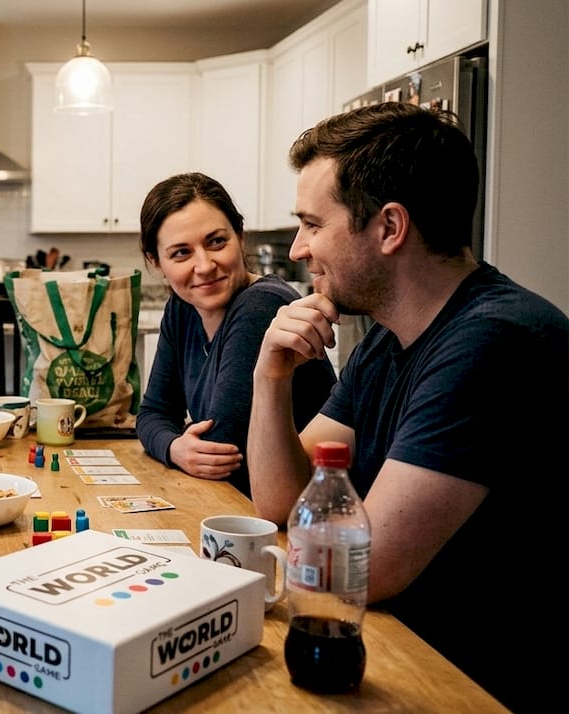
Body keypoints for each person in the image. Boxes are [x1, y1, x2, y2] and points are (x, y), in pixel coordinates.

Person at [247, 102, 567, 712]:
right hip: (397, 647)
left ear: (390, 228)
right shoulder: (391, 339)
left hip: (465, 685)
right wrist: (271, 377)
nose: (297, 249)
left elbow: (370, 569)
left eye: (313, 224)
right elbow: (280, 503)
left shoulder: (493, 341)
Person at [135, 172, 335, 497]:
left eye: (216, 242)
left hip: (297, 518)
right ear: (156, 262)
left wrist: (180, 442)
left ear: (239, 237)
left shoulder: (261, 304)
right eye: (181, 253)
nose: (204, 266)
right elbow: (153, 413)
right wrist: (174, 447)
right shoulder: (183, 305)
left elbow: (222, 451)